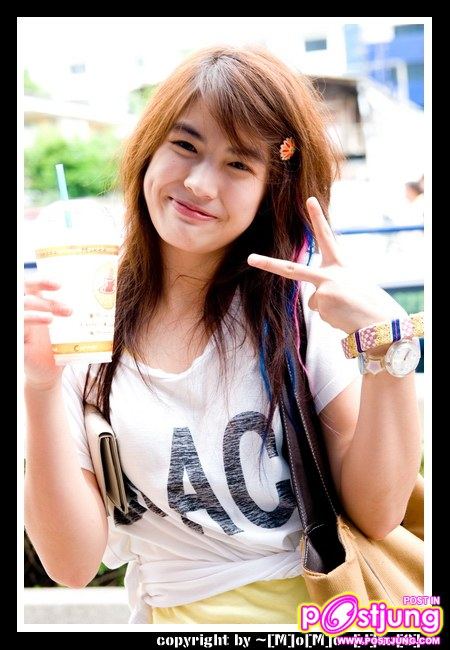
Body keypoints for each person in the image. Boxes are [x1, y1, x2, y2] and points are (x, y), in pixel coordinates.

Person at [24, 46, 422, 625]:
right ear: (149, 149)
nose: (199, 183)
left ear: (269, 190)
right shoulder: (86, 318)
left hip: (318, 617)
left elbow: (379, 512)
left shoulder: (298, 311)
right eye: (185, 146)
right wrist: (39, 388)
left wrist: (387, 346)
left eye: (239, 164)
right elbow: (71, 564)